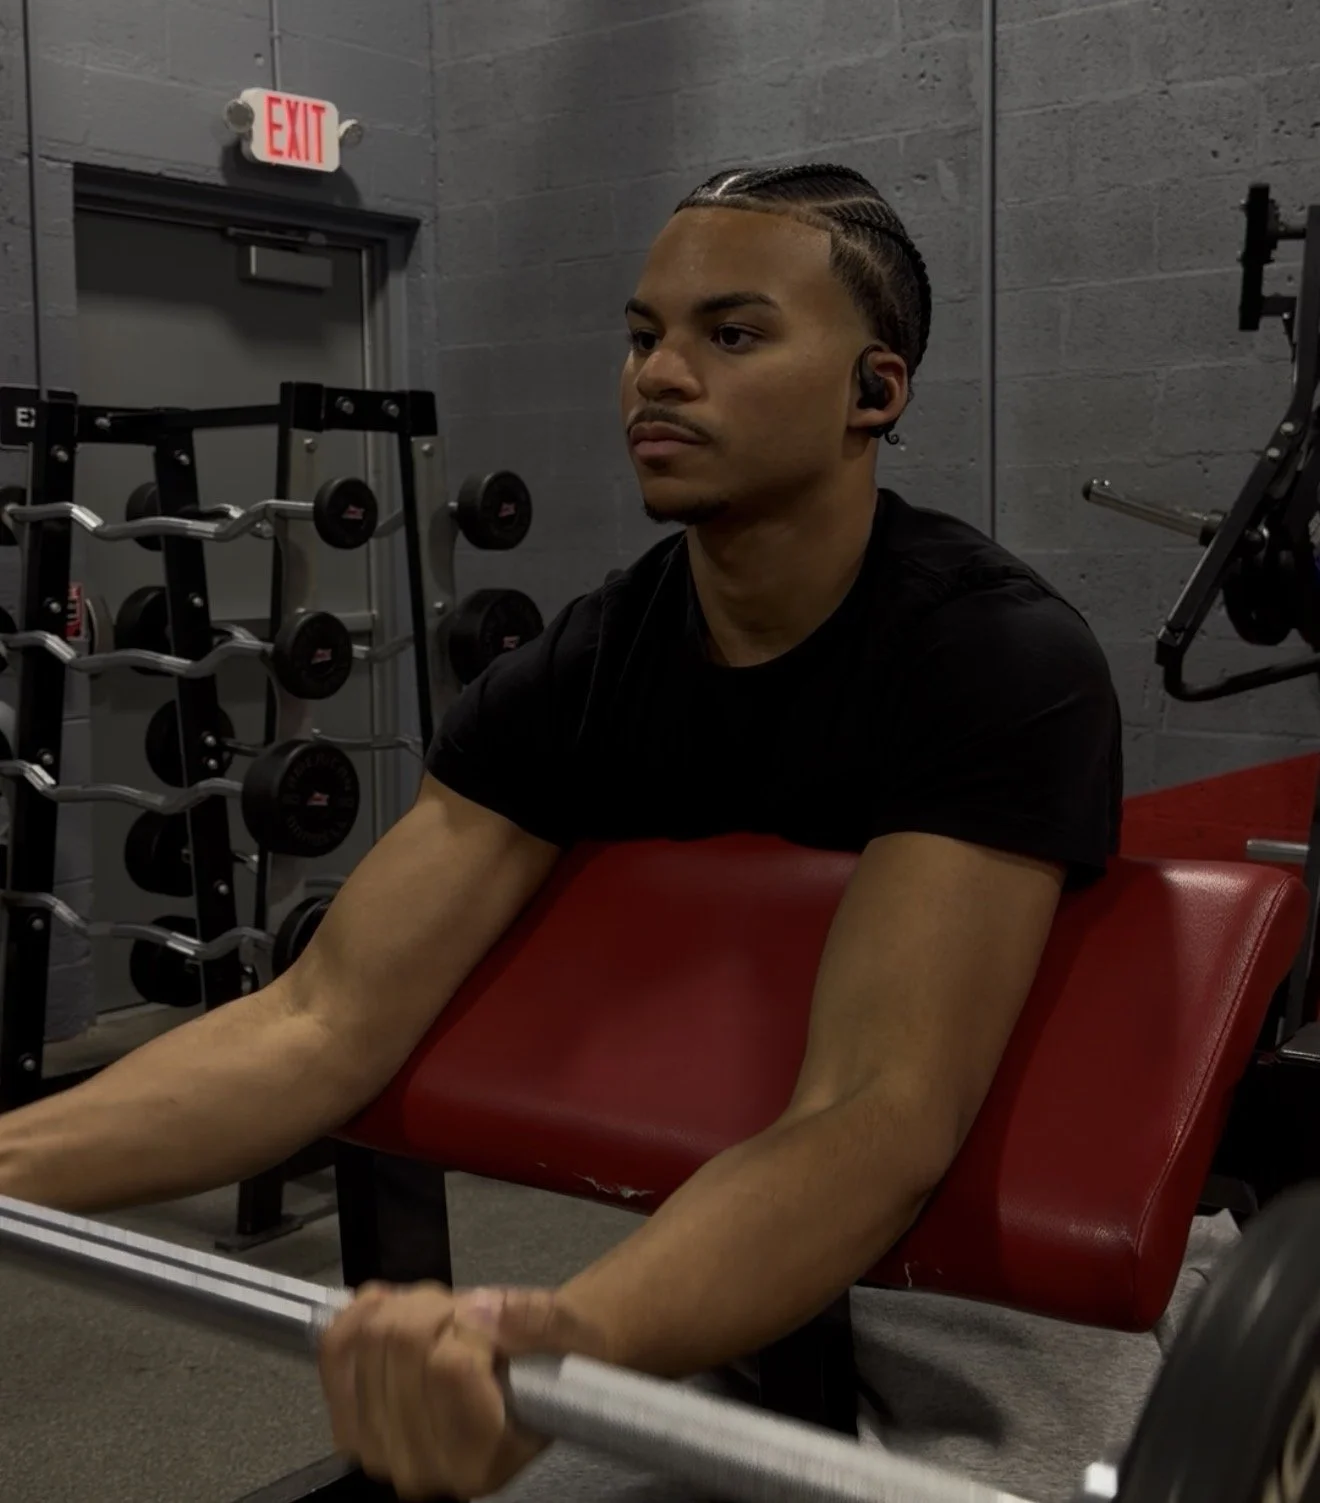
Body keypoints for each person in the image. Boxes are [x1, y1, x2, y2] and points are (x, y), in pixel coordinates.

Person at [0, 163, 1122, 1500]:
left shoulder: (995, 659)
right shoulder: (587, 671)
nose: (658, 374)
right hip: (722, 1308)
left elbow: (872, 1117)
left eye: (733, 332)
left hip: (996, 1335)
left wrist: (568, 1346)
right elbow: (318, 1021)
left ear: (873, 392)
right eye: (644, 335)